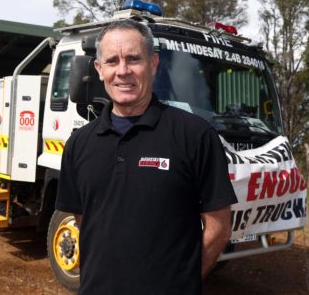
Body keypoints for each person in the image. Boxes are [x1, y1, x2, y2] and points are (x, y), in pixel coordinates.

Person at [56, 19, 237, 295]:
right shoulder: (78, 144)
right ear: (99, 70)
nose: (123, 71)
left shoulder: (196, 136)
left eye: (133, 59)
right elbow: (86, 221)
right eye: (112, 61)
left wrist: (182, 282)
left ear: (153, 64)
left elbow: (219, 227)